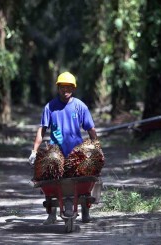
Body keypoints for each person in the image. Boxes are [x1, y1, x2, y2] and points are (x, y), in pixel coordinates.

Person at [28, 71, 98, 225]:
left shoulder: (80, 106)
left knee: (84, 179)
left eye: (69, 87)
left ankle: (85, 209)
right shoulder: (50, 107)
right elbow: (42, 130)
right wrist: (34, 151)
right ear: (58, 88)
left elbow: (90, 129)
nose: (65, 91)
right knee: (48, 177)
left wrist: (95, 148)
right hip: (55, 152)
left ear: (73, 88)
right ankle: (51, 213)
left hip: (76, 152)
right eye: (62, 87)